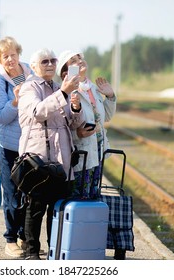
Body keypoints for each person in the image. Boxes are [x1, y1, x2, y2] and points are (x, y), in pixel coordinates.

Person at [17, 48, 84, 259]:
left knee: (57, 208)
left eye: (53, 60)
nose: (50, 64)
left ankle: (54, 250)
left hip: (61, 157)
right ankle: (32, 252)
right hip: (38, 158)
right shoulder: (30, 88)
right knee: (35, 207)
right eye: (44, 61)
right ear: (34, 67)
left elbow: (74, 124)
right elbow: (38, 112)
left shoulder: (59, 87)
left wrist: (75, 108)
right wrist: (63, 94)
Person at [0, 36, 33, 258]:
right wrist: (16, 101)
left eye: (13, 54)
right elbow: (3, 117)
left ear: (19, 54)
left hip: (31, 144)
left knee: (30, 192)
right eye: (4, 56)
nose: (10, 59)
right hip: (8, 145)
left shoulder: (30, 74)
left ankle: (27, 238)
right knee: (12, 193)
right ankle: (10, 239)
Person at [56, 50, 116, 198]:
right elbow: (61, 125)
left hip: (98, 153)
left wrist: (110, 96)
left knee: (93, 198)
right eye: (73, 61)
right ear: (65, 73)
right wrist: (77, 134)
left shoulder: (93, 89)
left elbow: (105, 117)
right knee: (79, 199)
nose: (80, 61)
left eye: (80, 58)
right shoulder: (66, 93)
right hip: (80, 155)